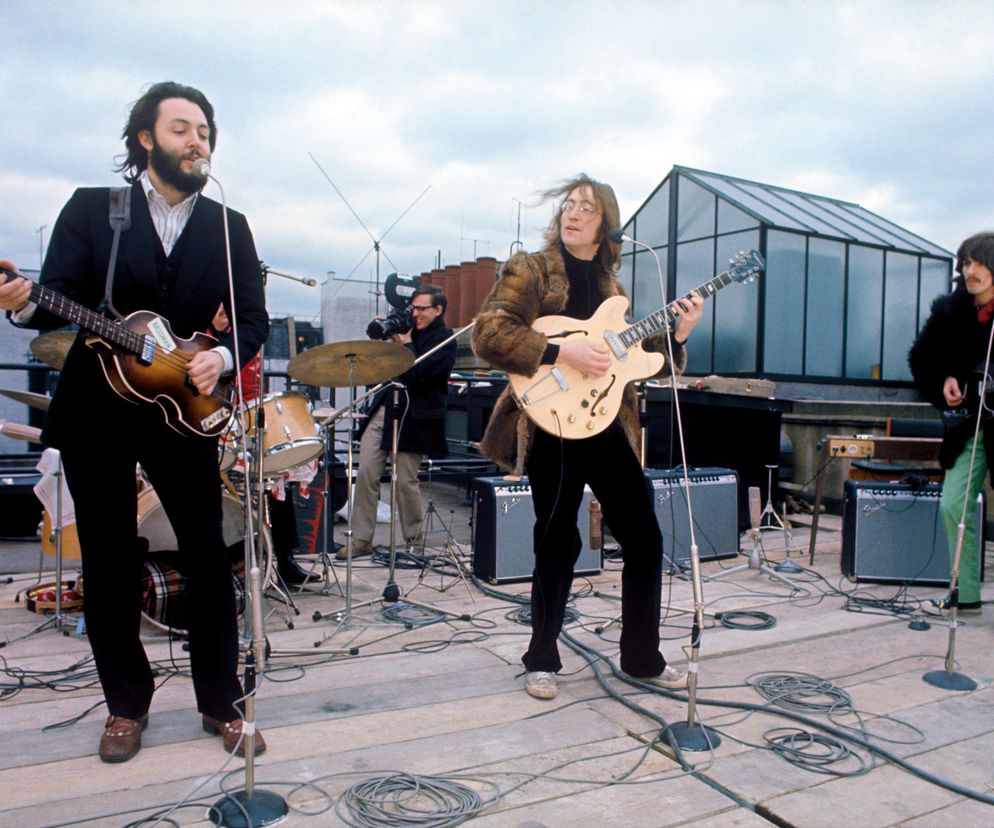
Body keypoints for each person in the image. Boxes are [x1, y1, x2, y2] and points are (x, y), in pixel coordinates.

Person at [0, 82, 269, 762]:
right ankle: (126, 703)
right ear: (146, 139)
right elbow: (54, 296)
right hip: (97, 410)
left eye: (204, 130)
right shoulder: (97, 210)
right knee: (110, 563)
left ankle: (222, 703)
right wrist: (18, 303)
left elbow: (253, 318)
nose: (197, 140)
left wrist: (220, 356)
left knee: (210, 559)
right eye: (181, 128)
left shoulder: (228, 224)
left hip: (183, 412)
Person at [471, 174, 704, 700]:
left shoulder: (612, 291)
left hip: (605, 421)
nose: (572, 214)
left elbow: (636, 365)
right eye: (568, 205)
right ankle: (542, 658)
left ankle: (642, 657)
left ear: (607, 225)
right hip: (550, 420)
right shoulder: (529, 269)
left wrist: (679, 336)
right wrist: (559, 352)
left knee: (644, 537)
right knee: (557, 541)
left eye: (586, 208)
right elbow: (489, 332)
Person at [909, 231, 994, 616]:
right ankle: (966, 594)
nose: (970, 270)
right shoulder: (949, 312)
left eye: (979, 262)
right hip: (969, 429)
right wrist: (944, 380)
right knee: (953, 505)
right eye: (966, 262)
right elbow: (921, 359)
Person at [339, 285, 457, 560]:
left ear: (438, 310)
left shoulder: (445, 339)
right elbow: (380, 364)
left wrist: (406, 345)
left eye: (422, 309)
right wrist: (381, 334)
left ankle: (414, 542)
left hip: (415, 415)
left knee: (405, 480)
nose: (415, 314)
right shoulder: (405, 328)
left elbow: (422, 372)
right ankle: (361, 539)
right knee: (366, 472)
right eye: (413, 308)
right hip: (386, 406)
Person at [209, 305, 314, 586]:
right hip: (205, 420)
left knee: (276, 474)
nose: (223, 311)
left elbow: (254, 391)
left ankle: (285, 558)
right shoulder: (197, 336)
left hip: (243, 419)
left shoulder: (243, 339)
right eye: (217, 306)